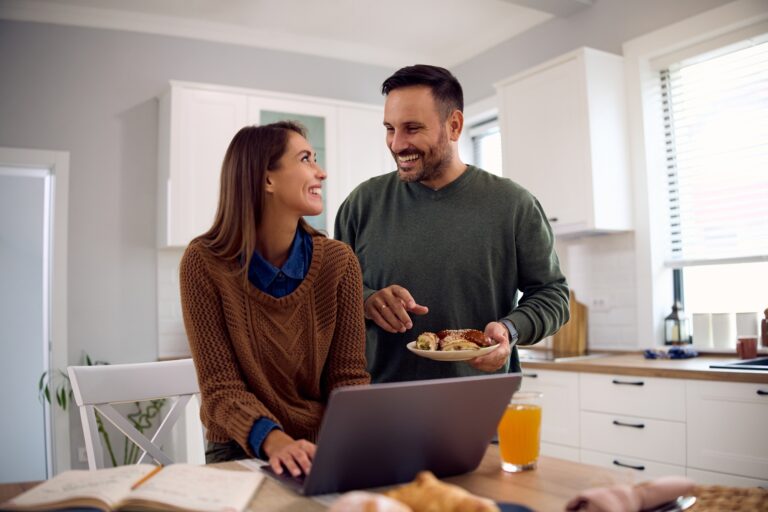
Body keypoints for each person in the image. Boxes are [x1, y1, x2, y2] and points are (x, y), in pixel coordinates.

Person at [334, 64, 569, 383]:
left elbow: (552, 293)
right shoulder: (361, 205)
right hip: (381, 404)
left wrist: (510, 330)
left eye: (412, 128)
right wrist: (365, 300)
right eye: (390, 128)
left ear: (454, 126)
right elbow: (331, 295)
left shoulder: (514, 205)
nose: (397, 144)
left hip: (481, 403)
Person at [180, 121, 370, 477]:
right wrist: (276, 441)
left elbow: (348, 379)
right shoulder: (204, 262)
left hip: (322, 444)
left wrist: (357, 439)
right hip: (239, 448)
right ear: (266, 179)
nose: (321, 172)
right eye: (305, 159)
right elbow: (220, 388)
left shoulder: (339, 263)